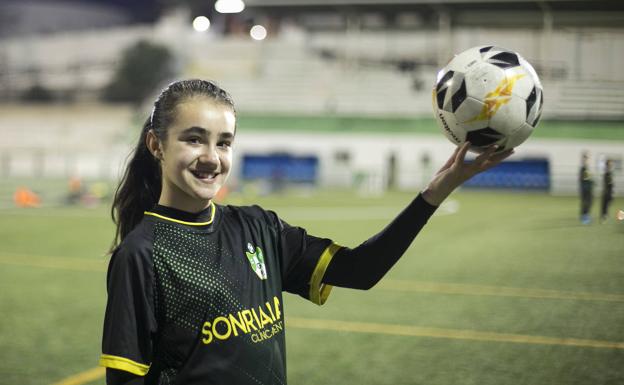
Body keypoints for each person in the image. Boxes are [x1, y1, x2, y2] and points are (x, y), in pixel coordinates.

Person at [99, 79, 512, 385]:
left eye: (224, 143)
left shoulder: (259, 227)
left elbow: (360, 271)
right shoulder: (142, 254)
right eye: (194, 139)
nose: (212, 157)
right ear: (156, 145)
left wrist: (434, 193)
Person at [579, 151, 594, 224]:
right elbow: (584, 178)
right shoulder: (583, 168)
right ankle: (584, 217)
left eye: (587, 158)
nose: (587, 159)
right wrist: (590, 181)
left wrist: (591, 180)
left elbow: (587, 178)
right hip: (585, 188)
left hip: (587, 187)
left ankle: (585, 215)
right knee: (586, 202)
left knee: (588, 202)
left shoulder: (586, 168)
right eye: (586, 158)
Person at [600, 158, 614, 222]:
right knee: (605, 203)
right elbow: (607, 181)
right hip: (607, 190)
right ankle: (603, 216)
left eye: (611, 163)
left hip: (610, 190)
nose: (611, 164)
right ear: (607, 164)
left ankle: (605, 214)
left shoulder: (610, 171)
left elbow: (611, 182)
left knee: (609, 203)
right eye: (610, 163)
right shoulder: (606, 171)